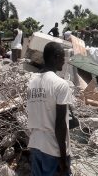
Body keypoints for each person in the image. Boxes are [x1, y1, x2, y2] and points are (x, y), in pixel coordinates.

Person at [27, 42, 72, 176]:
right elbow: (60, 124)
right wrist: (63, 158)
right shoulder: (61, 84)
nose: (64, 62)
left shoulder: (31, 82)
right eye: (63, 58)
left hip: (35, 144)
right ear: (56, 57)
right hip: (53, 150)